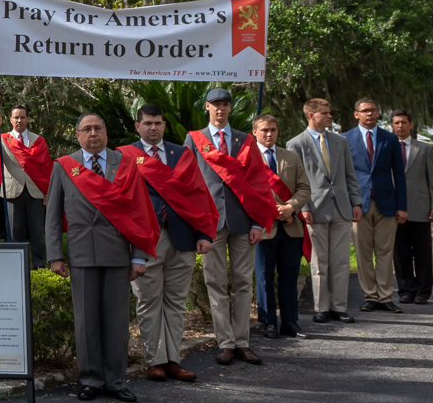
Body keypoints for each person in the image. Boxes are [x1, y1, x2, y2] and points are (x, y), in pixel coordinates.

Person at [45, 113, 151, 403]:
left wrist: (139, 256)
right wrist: (55, 255)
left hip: (117, 252)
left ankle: (115, 381)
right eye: (86, 129)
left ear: (106, 132)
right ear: (77, 135)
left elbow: (139, 211)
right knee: (86, 321)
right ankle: (90, 379)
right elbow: (53, 215)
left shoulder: (125, 163)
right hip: (81, 253)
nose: (93, 133)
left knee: (117, 321)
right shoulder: (65, 167)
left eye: (98, 128)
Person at [188, 87, 268, 367]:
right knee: (215, 282)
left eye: (225, 104)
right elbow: (187, 182)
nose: (220, 109)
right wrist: (197, 225)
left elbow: (259, 182)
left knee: (244, 283)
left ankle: (243, 343)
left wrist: (258, 222)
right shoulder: (194, 139)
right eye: (215, 104)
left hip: (244, 221)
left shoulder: (245, 140)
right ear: (207, 108)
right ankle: (225, 343)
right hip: (210, 222)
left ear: (230, 108)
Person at [127, 103, 206, 384]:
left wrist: (204, 234)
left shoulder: (180, 153)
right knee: (148, 302)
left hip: (182, 238)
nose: (153, 128)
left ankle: (174, 360)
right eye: (147, 123)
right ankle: (155, 361)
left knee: (176, 302)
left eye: (158, 123)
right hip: (146, 241)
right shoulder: (124, 156)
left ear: (164, 125)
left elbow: (198, 194)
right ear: (137, 126)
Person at [288, 99, 359, 323]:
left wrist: (356, 202)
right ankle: (321, 307)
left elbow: (350, 174)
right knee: (319, 261)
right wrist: (303, 207)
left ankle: (339, 307)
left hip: (341, 207)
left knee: (341, 261)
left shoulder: (340, 141)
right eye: (325, 113)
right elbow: (295, 181)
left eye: (330, 113)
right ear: (311, 115)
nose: (330, 117)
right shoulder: (296, 143)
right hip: (314, 208)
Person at [345, 98, 407, 314]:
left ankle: (385, 296)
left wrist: (402, 206)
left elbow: (399, 174)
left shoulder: (390, 139)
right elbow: (344, 174)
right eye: (364, 111)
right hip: (358, 205)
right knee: (362, 252)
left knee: (385, 251)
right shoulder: (344, 139)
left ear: (378, 112)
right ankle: (370, 296)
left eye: (372, 110)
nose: (369, 114)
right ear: (356, 114)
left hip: (387, 204)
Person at [251, 112, 309, 340]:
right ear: (254, 132)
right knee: (264, 276)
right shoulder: (247, 157)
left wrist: (291, 207)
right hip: (263, 228)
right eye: (264, 130)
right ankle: (268, 322)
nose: (269, 134)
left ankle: (290, 321)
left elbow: (304, 188)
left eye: (272, 130)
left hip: (290, 225)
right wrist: (273, 210)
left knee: (289, 276)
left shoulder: (291, 157)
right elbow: (245, 191)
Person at [0, 106, 50, 265]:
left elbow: (46, 167)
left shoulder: (38, 139)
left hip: (36, 191)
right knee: (15, 232)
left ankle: (40, 265)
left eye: (22, 117)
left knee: (37, 231)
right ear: (10, 120)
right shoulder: (3, 138)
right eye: (16, 117)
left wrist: (47, 191)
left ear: (28, 119)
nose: (19, 120)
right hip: (12, 190)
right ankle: (16, 265)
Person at [391, 110, 433, 304]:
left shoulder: (425, 149)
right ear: (392, 126)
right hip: (395, 209)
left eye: (403, 122)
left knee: (422, 253)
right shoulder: (387, 148)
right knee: (400, 252)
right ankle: (405, 289)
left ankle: (422, 290)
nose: (400, 126)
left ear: (410, 125)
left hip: (420, 207)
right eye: (396, 123)